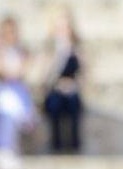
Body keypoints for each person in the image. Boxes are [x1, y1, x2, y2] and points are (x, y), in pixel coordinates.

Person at [0, 14, 37, 150]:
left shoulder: (22, 50)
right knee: (6, 104)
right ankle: (6, 144)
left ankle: (7, 144)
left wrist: (7, 71)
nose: (9, 35)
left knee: (10, 104)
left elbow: (23, 71)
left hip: (18, 91)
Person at [36, 8, 87, 152]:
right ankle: (56, 146)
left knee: (74, 102)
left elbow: (85, 76)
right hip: (54, 90)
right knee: (54, 103)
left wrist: (73, 85)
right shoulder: (49, 48)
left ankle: (75, 146)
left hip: (72, 90)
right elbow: (43, 79)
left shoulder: (77, 49)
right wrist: (57, 56)